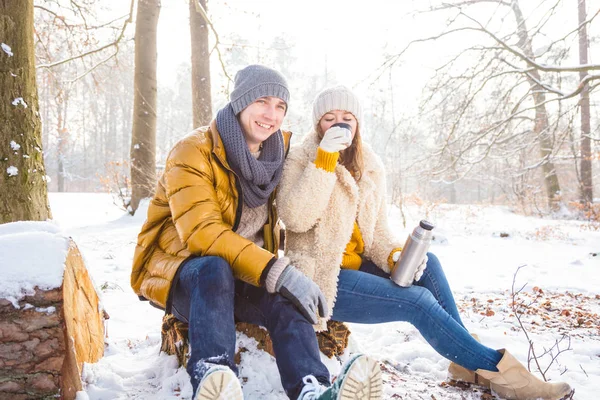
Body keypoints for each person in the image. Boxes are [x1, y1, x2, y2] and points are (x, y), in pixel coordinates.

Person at [276, 85, 573, 400]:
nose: (339, 124)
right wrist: (324, 160)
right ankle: (506, 375)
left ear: (358, 123)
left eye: (347, 117)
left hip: (358, 267)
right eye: (329, 118)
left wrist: (395, 257)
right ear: (317, 124)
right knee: (417, 302)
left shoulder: (370, 167)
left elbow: (377, 233)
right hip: (320, 276)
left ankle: (465, 364)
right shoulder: (302, 157)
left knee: (429, 264)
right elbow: (296, 218)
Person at [130, 66, 381, 400]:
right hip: (184, 272)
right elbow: (203, 234)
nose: (271, 114)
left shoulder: (279, 153)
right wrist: (279, 270)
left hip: (245, 274)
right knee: (216, 267)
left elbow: (309, 190)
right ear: (240, 103)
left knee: (285, 294)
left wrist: (338, 150)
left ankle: (312, 389)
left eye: (280, 106)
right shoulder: (192, 152)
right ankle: (214, 378)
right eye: (262, 101)